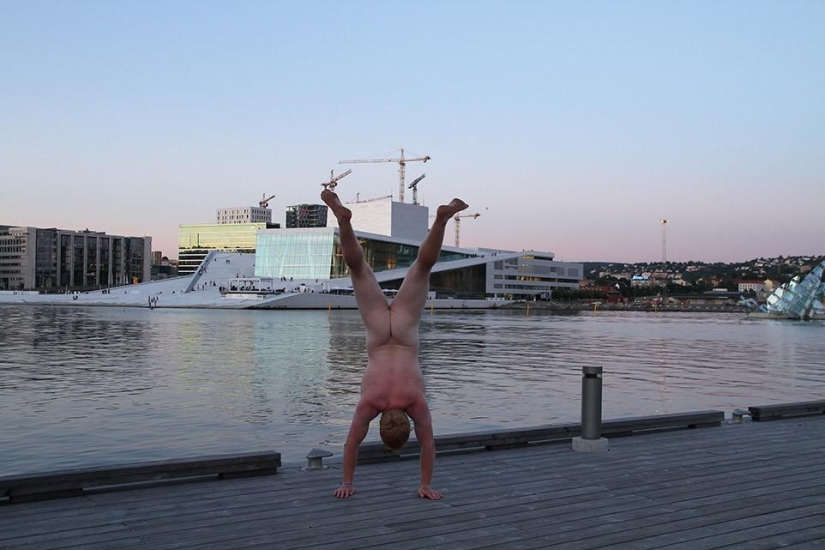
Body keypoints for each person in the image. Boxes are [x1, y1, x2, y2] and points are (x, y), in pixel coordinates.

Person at [321, 188, 468, 500]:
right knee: (357, 268)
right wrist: (346, 481)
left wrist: (426, 484)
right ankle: (343, 222)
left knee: (422, 267)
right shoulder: (370, 404)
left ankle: (441, 219)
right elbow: (351, 443)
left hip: (403, 330)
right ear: (381, 424)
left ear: (408, 425)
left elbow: (429, 444)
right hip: (377, 329)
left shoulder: (416, 402)